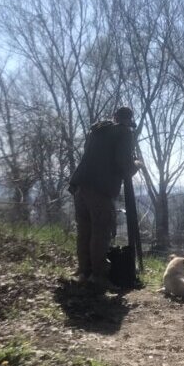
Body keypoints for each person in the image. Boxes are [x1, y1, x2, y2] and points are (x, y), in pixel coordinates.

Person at [68, 106, 138, 291]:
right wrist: (136, 165)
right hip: (100, 189)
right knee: (101, 232)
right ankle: (98, 276)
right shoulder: (124, 133)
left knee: (85, 231)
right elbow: (123, 163)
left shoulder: (97, 131)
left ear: (114, 117)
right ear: (128, 120)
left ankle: (84, 271)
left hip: (80, 186)